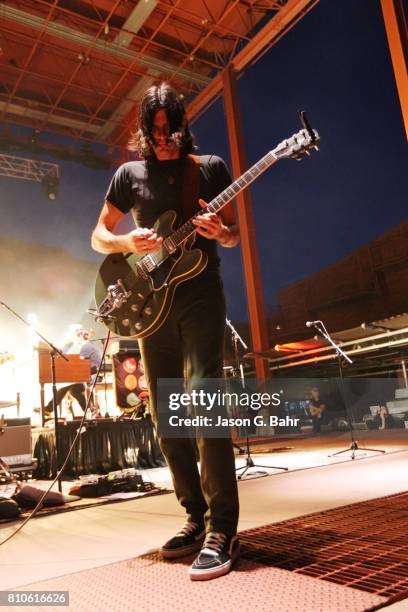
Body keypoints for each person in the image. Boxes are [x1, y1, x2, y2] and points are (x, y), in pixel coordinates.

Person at [91, 82, 240, 580]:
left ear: (182, 125)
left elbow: (234, 234)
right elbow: (98, 235)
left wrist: (223, 232)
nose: (163, 140)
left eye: (169, 129)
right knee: (166, 411)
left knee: (204, 399)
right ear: (144, 132)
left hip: (200, 296)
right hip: (150, 306)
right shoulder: (128, 174)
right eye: (154, 132)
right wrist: (125, 241)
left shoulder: (210, 168)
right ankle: (195, 517)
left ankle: (223, 527)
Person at [42, 327, 102, 417]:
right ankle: (90, 410)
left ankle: (48, 409)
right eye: (78, 334)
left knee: (67, 387)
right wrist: (54, 349)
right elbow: (61, 353)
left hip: (84, 376)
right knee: (73, 390)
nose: (80, 335)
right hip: (72, 377)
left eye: (82, 333)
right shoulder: (69, 345)